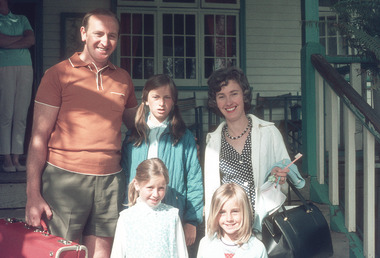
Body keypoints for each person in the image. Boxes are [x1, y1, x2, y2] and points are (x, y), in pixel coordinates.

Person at [25, 9, 138, 258]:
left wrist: (174, 130)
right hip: (65, 179)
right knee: (64, 253)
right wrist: (32, 194)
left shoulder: (123, 79)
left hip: (110, 181)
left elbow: (138, 127)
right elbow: (38, 137)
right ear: (84, 33)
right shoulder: (58, 74)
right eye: (99, 34)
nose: (105, 42)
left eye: (112, 35)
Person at [204, 67, 305, 233]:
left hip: (266, 224)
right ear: (215, 102)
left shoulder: (269, 132)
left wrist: (279, 176)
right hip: (229, 230)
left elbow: (286, 175)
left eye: (234, 93)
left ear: (244, 95)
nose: (228, 102)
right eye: (221, 96)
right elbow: (211, 194)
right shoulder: (213, 142)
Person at [121, 74, 204, 252]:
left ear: (174, 101)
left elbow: (194, 179)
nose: (161, 103)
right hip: (139, 213)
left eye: (167, 97)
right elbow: (125, 176)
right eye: (156, 97)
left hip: (171, 213)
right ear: (145, 100)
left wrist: (191, 220)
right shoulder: (133, 136)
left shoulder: (183, 137)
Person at [111, 158, 188, 258]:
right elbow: (117, 253)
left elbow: (182, 253)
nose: (155, 194)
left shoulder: (172, 215)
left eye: (161, 188)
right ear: (137, 185)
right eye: (150, 187)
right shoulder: (127, 218)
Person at [0, 0, 35, 172]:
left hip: (25, 66)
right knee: (6, 112)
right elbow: (1, 41)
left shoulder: (21, 19)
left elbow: (31, 40)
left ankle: (16, 158)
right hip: (4, 66)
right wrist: (20, 39)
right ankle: (6, 158)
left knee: (21, 114)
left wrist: (9, 42)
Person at [197, 183, 267, 258]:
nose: (229, 219)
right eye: (222, 212)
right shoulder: (206, 245)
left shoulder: (257, 249)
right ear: (215, 213)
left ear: (245, 212)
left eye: (235, 211)